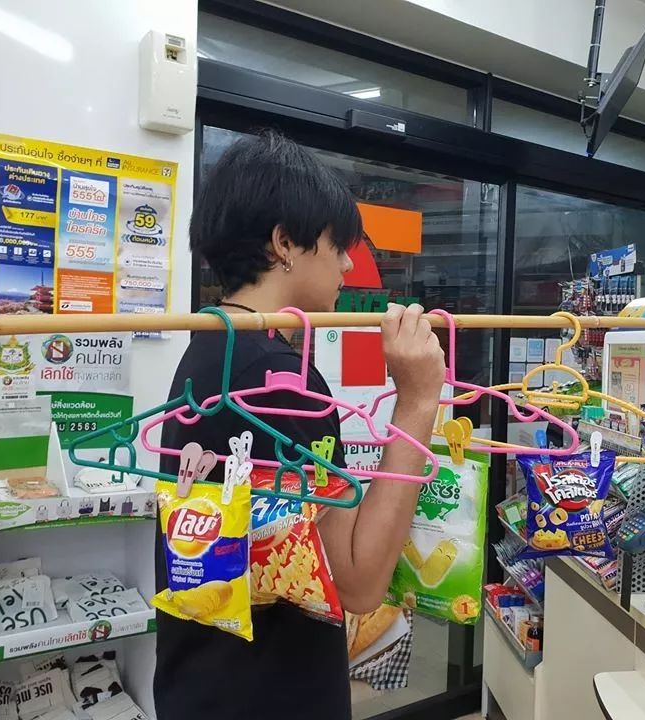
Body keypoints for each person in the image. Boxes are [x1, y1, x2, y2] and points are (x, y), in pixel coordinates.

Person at [154, 131, 445, 720]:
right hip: (268, 694)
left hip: (203, 683)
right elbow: (358, 581)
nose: (348, 264)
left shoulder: (210, 348)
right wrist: (417, 400)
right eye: (338, 245)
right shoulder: (279, 380)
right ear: (284, 242)